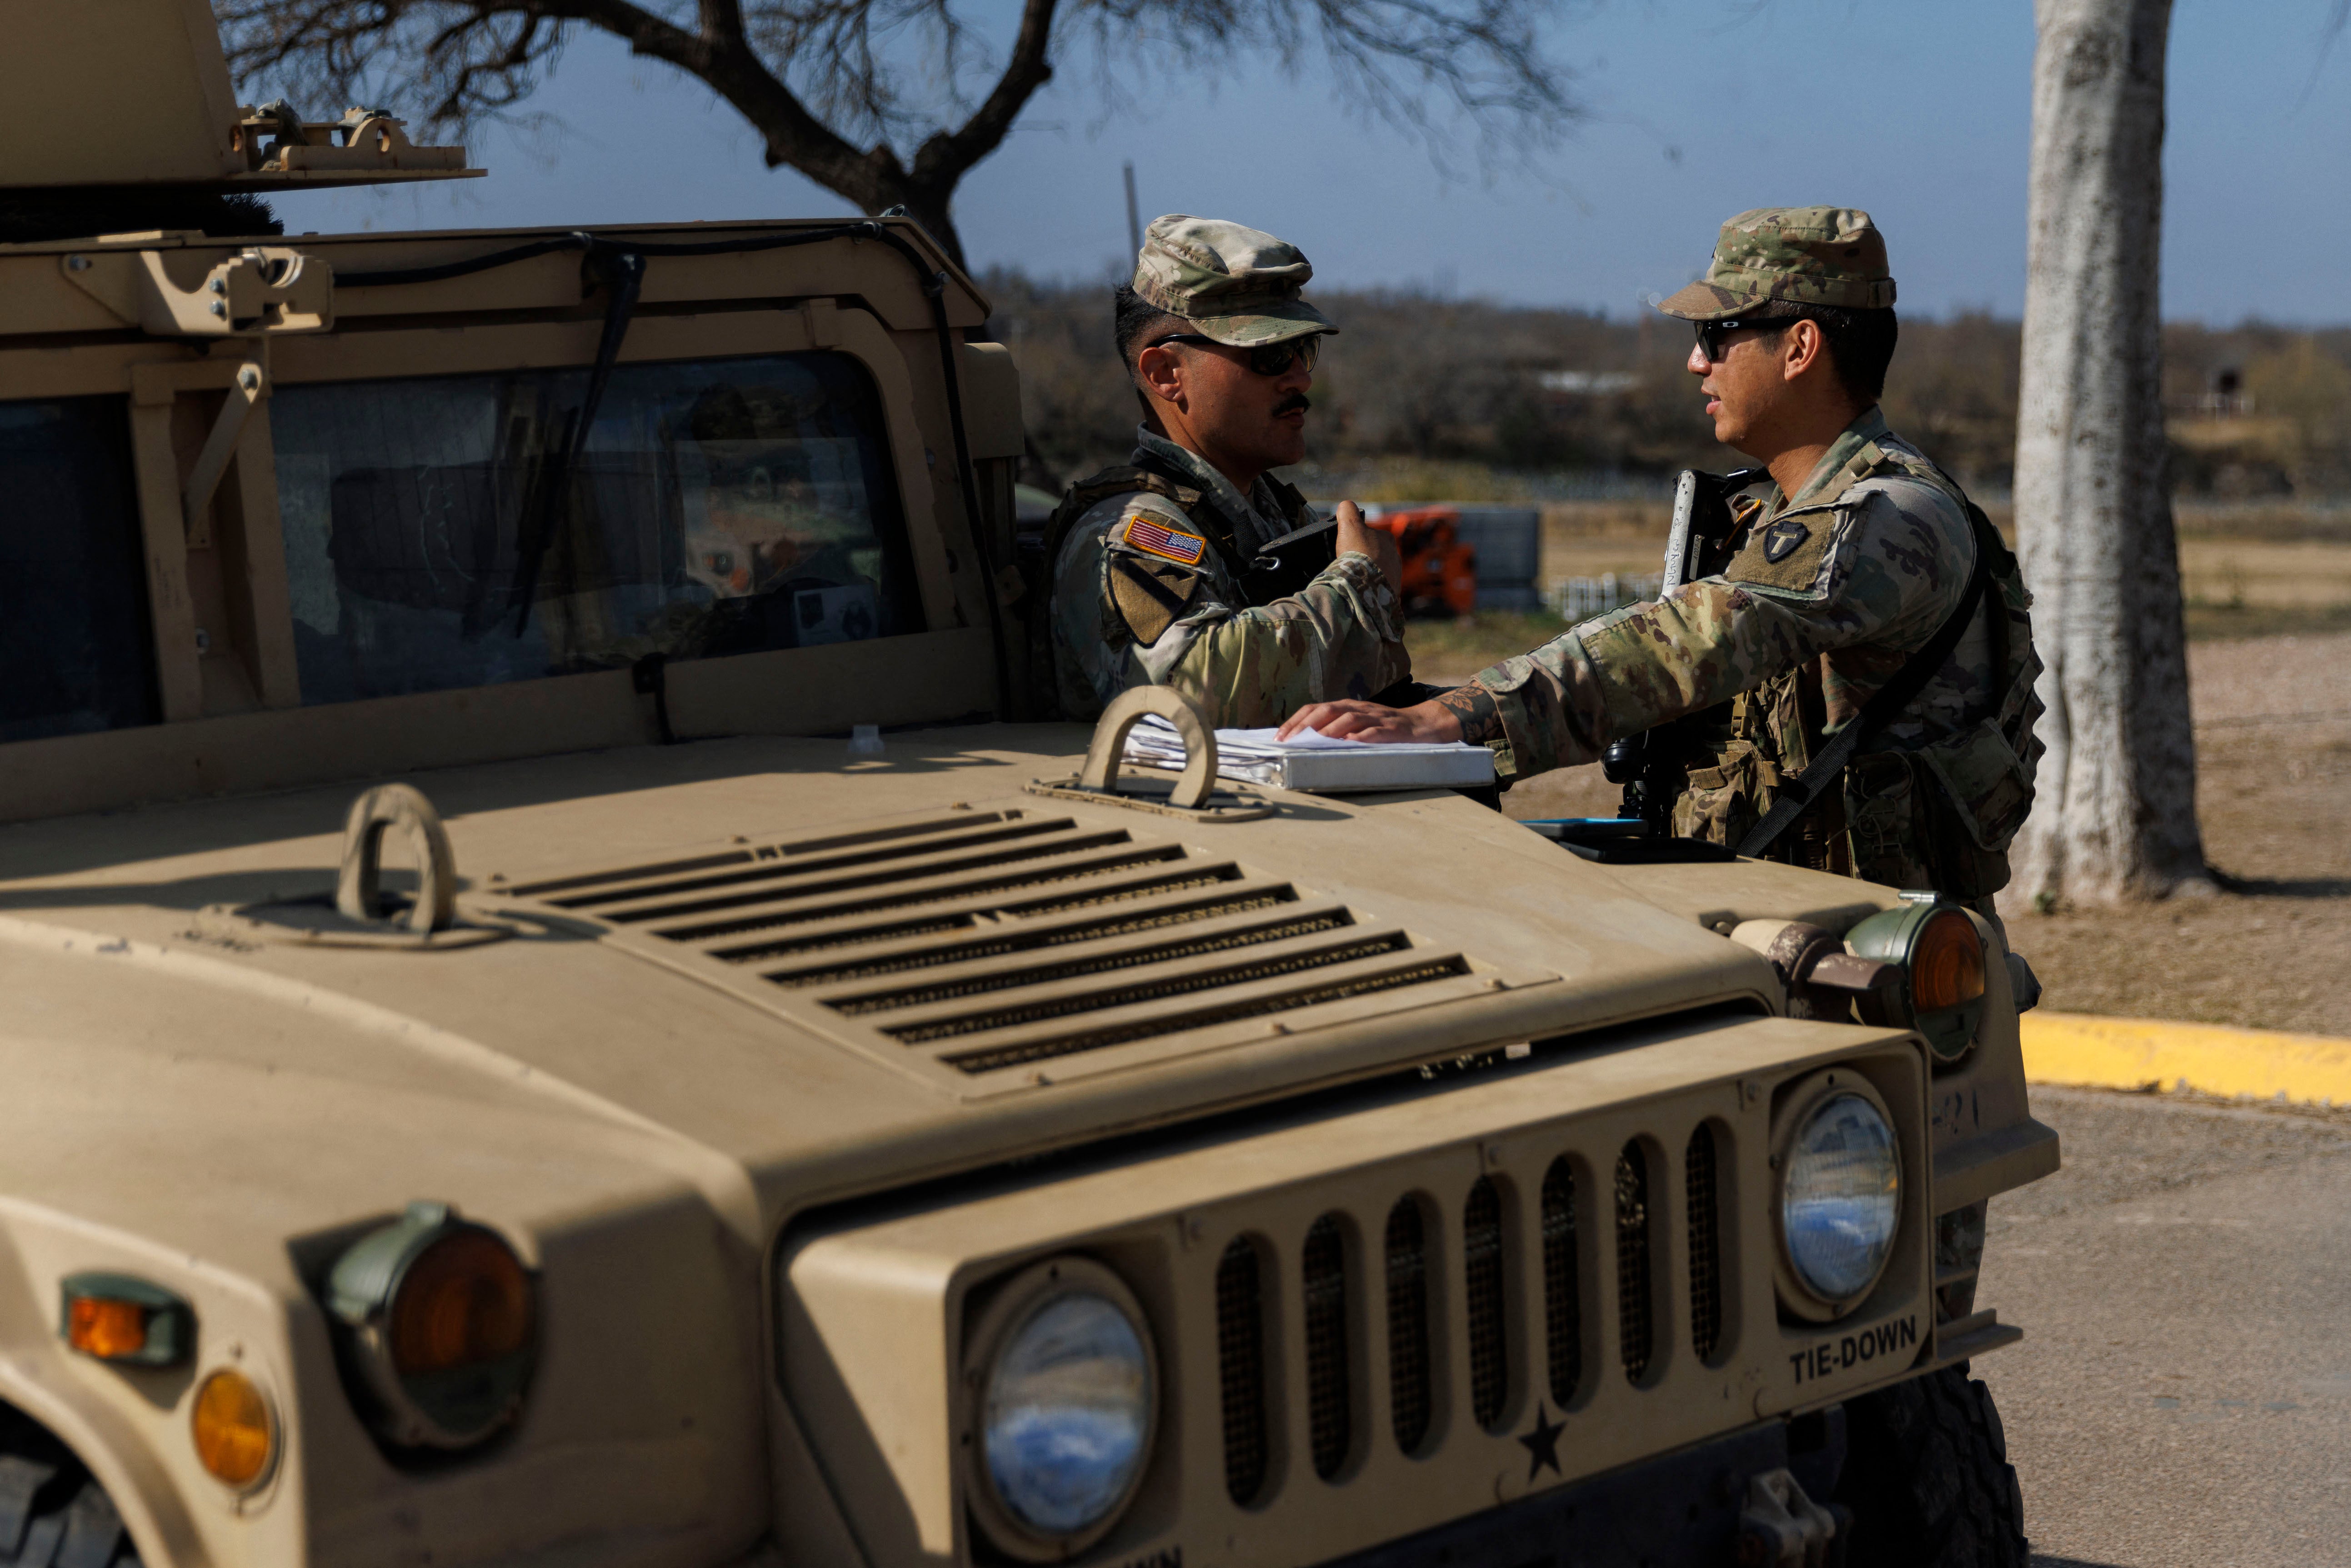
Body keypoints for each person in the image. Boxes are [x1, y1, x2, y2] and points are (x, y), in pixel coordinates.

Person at [1280, 206, 2043, 902]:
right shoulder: (1783, 509)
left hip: (1871, 967)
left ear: (1800, 348)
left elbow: (1687, 642)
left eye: (1717, 336)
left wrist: (1450, 722)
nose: (1694, 364)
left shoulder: (1886, 517)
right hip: (1797, 922)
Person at [1043, 215, 1412, 728]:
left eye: (1303, 351)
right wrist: (1357, 587)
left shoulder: (1265, 513)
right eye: (1270, 355)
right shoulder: (1131, 532)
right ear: (1166, 374)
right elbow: (1190, 694)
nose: (1301, 378)